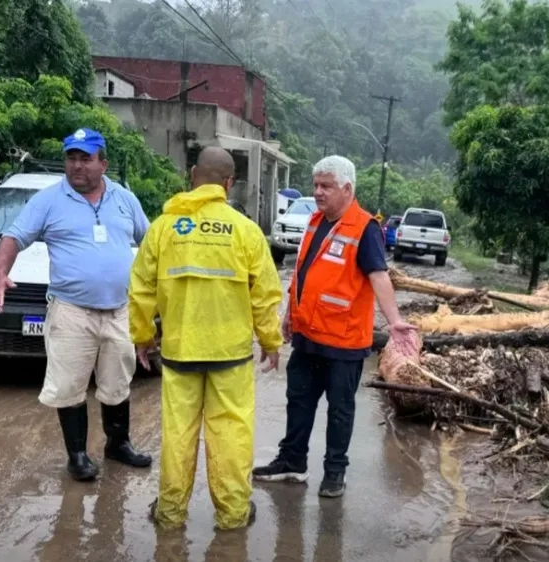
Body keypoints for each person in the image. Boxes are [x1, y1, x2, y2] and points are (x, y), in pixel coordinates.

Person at [128, 146, 284, 530]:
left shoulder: (164, 227)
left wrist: (143, 336)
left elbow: (141, 288)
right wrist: (270, 340)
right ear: (229, 184)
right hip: (230, 356)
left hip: (180, 352)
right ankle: (232, 517)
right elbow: (265, 292)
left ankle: (169, 514)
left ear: (193, 174)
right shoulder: (245, 231)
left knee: (178, 435)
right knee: (231, 435)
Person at [252, 155, 418, 498]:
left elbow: (378, 275)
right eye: (316, 185)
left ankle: (334, 473)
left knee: (340, 410)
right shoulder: (315, 222)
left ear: (347, 188)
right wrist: (289, 315)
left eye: (326, 186)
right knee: (298, 401)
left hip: (343, 343)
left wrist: (395, 320)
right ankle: (292, 463)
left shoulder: (365, 228)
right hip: (308, 337)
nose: (318, 192)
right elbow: (304, 273)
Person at [0, 128, 152, 482]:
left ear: (103, 163)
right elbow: (13, 237)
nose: (77, 166)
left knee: (117, 382)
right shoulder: (48, 201)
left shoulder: (125, 200)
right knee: (69, 385)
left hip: (119, 310)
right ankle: (78, 455)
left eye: (86, 158)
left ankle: (118, 444)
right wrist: (0, 273)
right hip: (71, 312)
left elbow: (151, 241)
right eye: (71, 158)